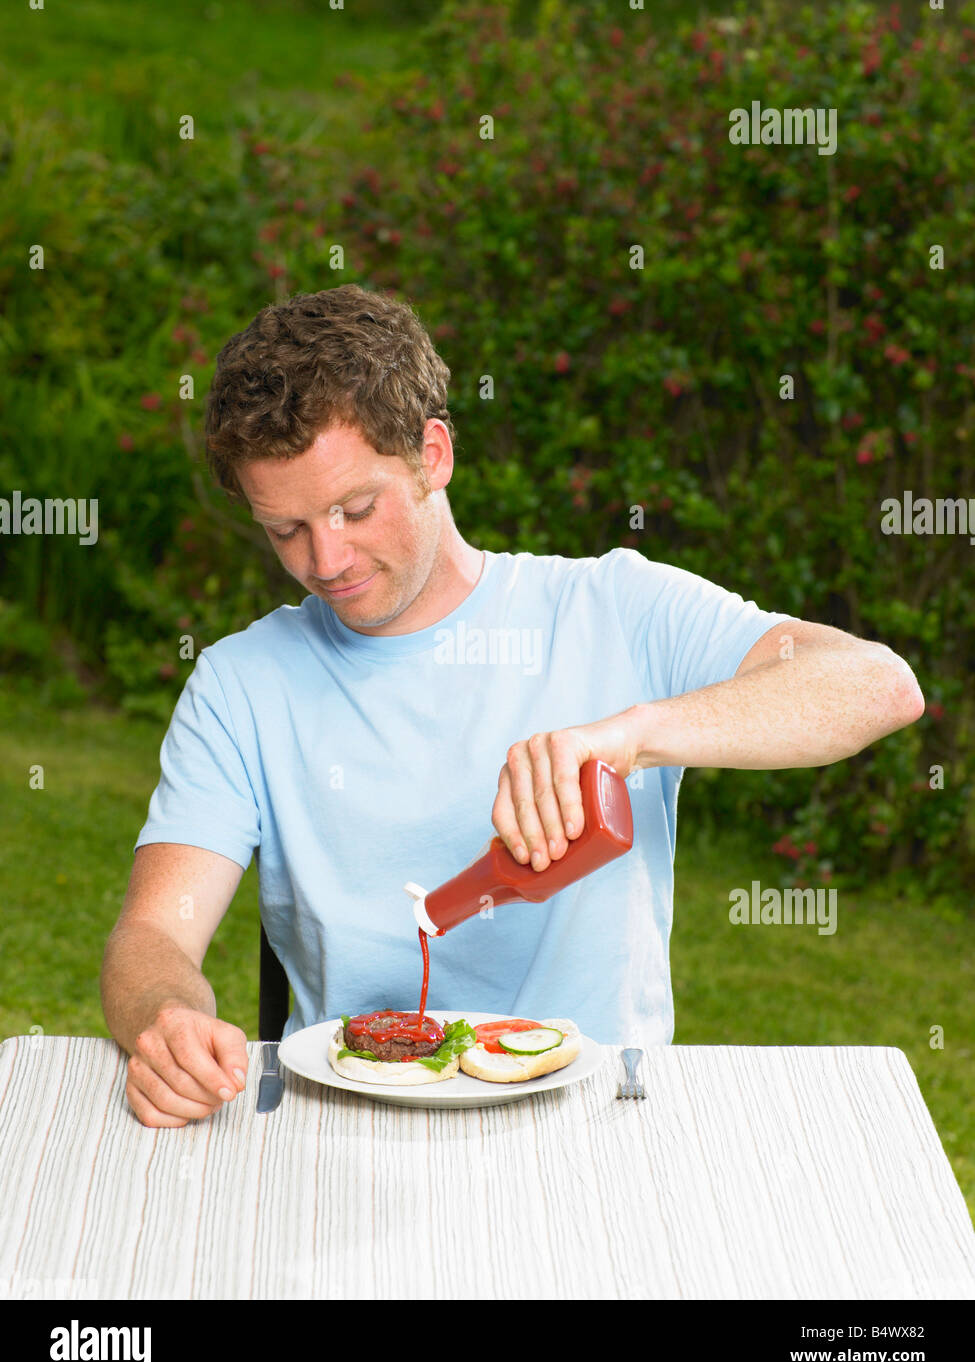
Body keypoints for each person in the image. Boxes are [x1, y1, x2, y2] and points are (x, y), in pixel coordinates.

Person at [100, 284, 925, 1128]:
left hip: (598, 1127)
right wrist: (167, 1019)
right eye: (287, 530)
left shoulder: (613, 609)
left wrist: (634, 735)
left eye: (355, 508)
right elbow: (154, 938)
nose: (327, 557)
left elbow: (876, 685)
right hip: (349, 1124)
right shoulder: (243, 685)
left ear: (432, 456)